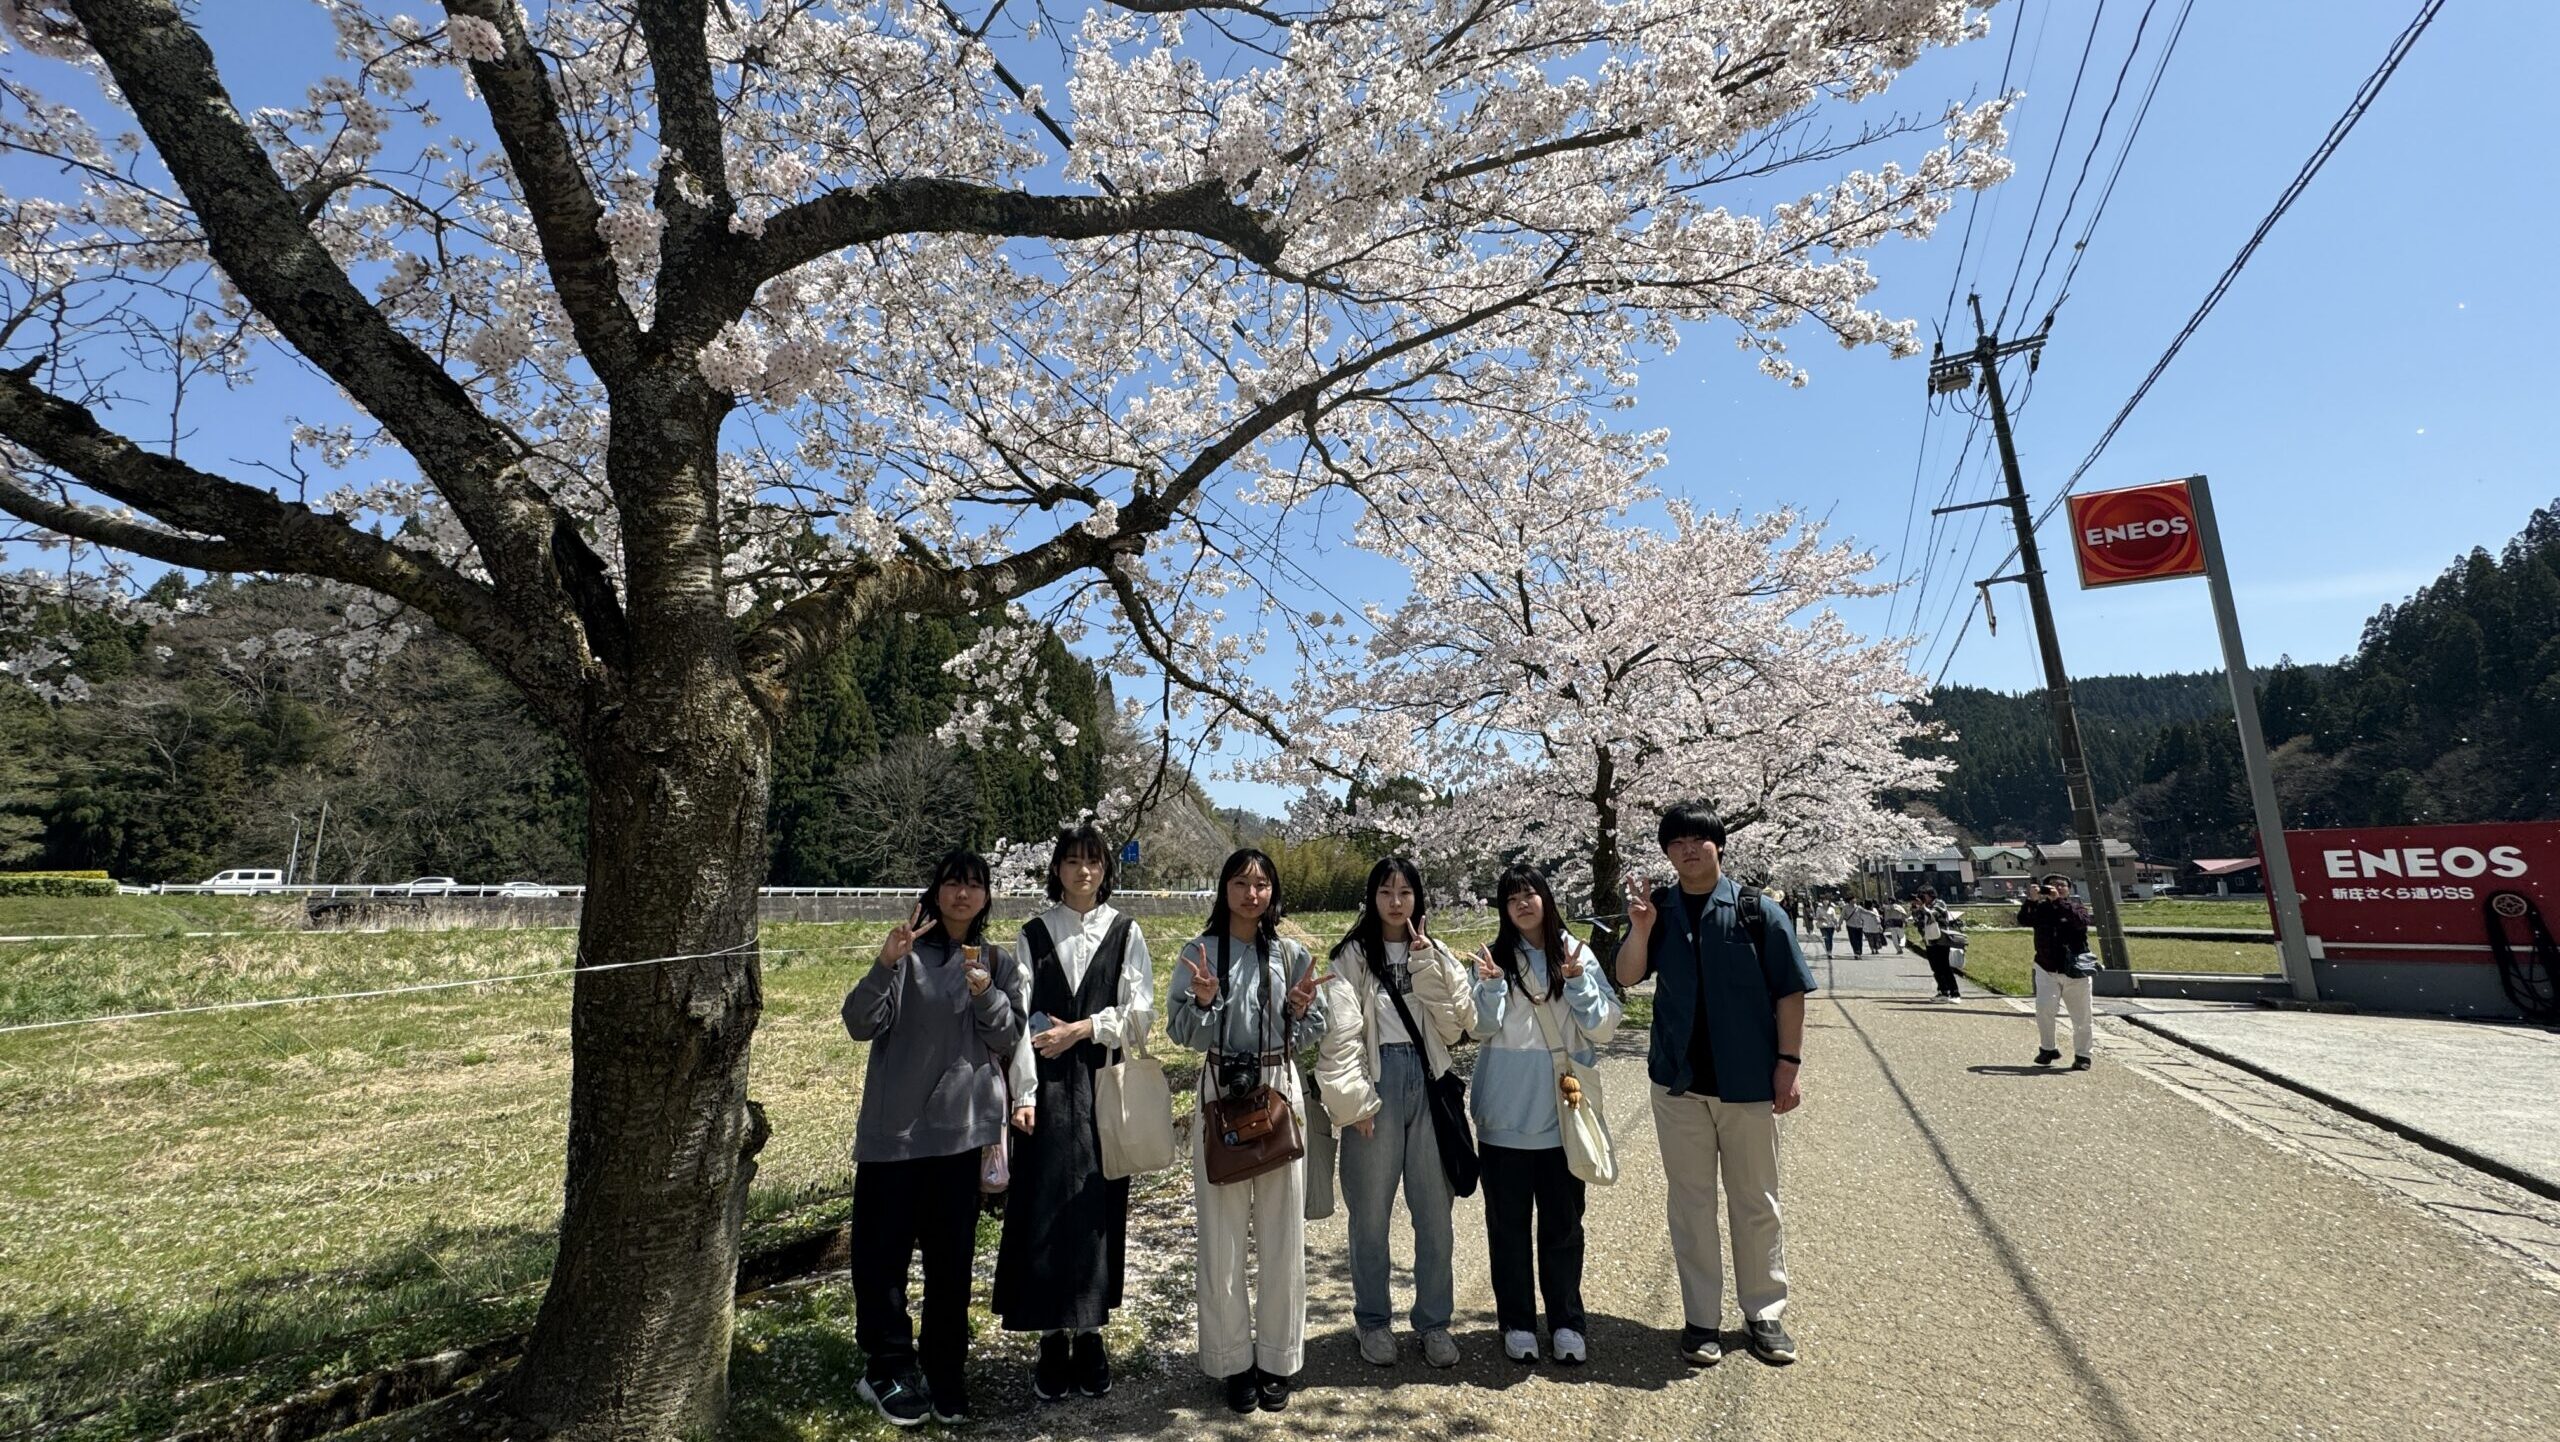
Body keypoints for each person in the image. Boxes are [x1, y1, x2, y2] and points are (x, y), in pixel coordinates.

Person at [1612, 801, 1816, 1368]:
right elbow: (1627, 975)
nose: (1688, 849)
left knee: (1756, 1200)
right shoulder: (1661, 909)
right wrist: (1641, 926)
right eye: (1676, 841)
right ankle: (1701, 1316)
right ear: (1666, 851)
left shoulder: (1757, 910)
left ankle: (1765, 1312)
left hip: (1748, 1082)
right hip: (1678, 1084)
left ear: (1719, 845)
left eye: (1698, 839)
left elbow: (1790, 992)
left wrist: (1788, 1064)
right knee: (1691, 1202)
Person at [842, 850, 1024, 1427]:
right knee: (882, 1258)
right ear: (935, 890)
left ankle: (945, 1369)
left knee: (952, 1264)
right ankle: (887, 1367)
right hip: (894, 1135)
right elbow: (858, 1022)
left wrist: (983, 991)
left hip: (960, 1138)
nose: (963, 894)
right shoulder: (905, 954)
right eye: (952, 883)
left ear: (987, 897)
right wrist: (884, 962)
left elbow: (1007, 1036)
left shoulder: (996, 960)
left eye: (975, 885)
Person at [994, 823, 1156, 1400]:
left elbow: (1141, 1012)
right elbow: (1018, 1016)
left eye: (1093, 861)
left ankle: (1090, 1333)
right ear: (1057, 869)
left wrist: (1087, 1027)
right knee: (1044, 1208)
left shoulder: (1125, 931)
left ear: (1106, 869)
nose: (1083, 871)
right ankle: (1051, 1336)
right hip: (1047, 1085)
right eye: (1072, 860)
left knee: (1096, 1206)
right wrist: (1025, 1094)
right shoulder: (1033, 933)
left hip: (1102, 1083)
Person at [1168, 848, 1326, 1414]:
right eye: (1240, 882)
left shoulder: (1291, 952)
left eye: (1261, 883)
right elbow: (1180, 1029)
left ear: (1272, 891)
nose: (1251, 893)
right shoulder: (1198, 952)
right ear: (1224, 889)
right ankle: (1232, 1361)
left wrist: (1303, 1011)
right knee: (1222, 1235)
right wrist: (1206, 1002)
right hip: (1220, 1092)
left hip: (1278, 1085)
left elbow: (1317, 1024)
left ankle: (1277, 1359)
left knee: (1284, 1232)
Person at [1312, 857, 1478, 1369]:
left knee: (1435, 1215)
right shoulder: (1352, 957)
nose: (1396, 901)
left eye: (1405, 891)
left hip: (1427, 1083)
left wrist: (1429, 966)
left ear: (1418, 898)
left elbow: (1459, 1027)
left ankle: (1433, 1323)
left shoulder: (1438, 953)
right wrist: (1354, 1100)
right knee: (1369, 1216)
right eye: (1386, 891)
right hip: (1375, 1083)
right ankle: (1373, 1321)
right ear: (1372, 898)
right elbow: (1339, 1036)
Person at [1467, 864, 1622, 1366]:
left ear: (1546, 898)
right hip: (1504, 1117)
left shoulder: (1577, 953)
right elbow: (1481, 1030)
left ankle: (1566, 1322)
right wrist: (1489, 987)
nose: (1523, 903)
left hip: (1562, 1114)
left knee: (1563, 1225)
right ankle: (1515, 1321)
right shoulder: (1493, 960)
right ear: (1503, 909)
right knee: (1507, 1228)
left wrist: (1577, 983)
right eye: (1512, 898)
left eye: (1530, 893)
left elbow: (1602, 1029)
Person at [2018, 872, 2097, 1071]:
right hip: (2046, 967)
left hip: (2075, 970)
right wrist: (2031, 900)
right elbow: (2024, 920)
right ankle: (2048, 1049)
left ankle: (2083, 1055)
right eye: (2051, 886)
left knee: (2081, 1016)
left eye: (2062, 885)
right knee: (2044, 1009)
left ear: (2068, 889)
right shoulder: (2040, 909)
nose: (2057, 888)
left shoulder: (2075, 907)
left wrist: (2059, 902)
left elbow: (2080, 922)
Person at [1908, 887, 1962, 1002]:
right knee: (1935, 967)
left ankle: (1955, 993)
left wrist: (1923, 907)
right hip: (1929, 939)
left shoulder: (1939, 903)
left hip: (1941, 939)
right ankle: (1943, 991)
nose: (1923, 898)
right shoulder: (1924, 906)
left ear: (1931, 895)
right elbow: (1918, 920)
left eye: (1924, 895)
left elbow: (1933, 915)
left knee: (1944, 965)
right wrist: (1915, 909)